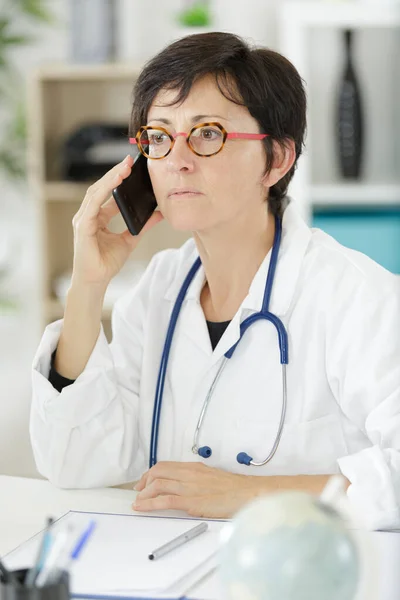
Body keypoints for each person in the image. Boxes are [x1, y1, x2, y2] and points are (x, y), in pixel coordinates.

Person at [30, 32, 400, 529]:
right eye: (159, 136)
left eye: (207, 133)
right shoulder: (160, 288)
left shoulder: (354, 296)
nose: (177, 159)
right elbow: (74, 463)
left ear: (276, 159)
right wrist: (87, 287)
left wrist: (249, 495)